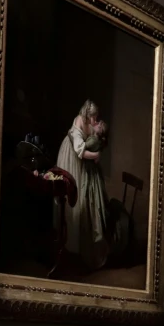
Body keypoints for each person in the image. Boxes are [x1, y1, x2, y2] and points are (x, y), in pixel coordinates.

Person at [55, 100, 109, 270]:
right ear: (86, 115)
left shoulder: (90, 122)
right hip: (72, 157)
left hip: (81, 158)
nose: (95, 119)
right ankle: (70, 245)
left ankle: (78, 246)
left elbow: (96, 136)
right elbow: (81, 151)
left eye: (96, 117)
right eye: (94, 117)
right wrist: (96, 155)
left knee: (82, 198)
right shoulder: (79, 122)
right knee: (74, 197)